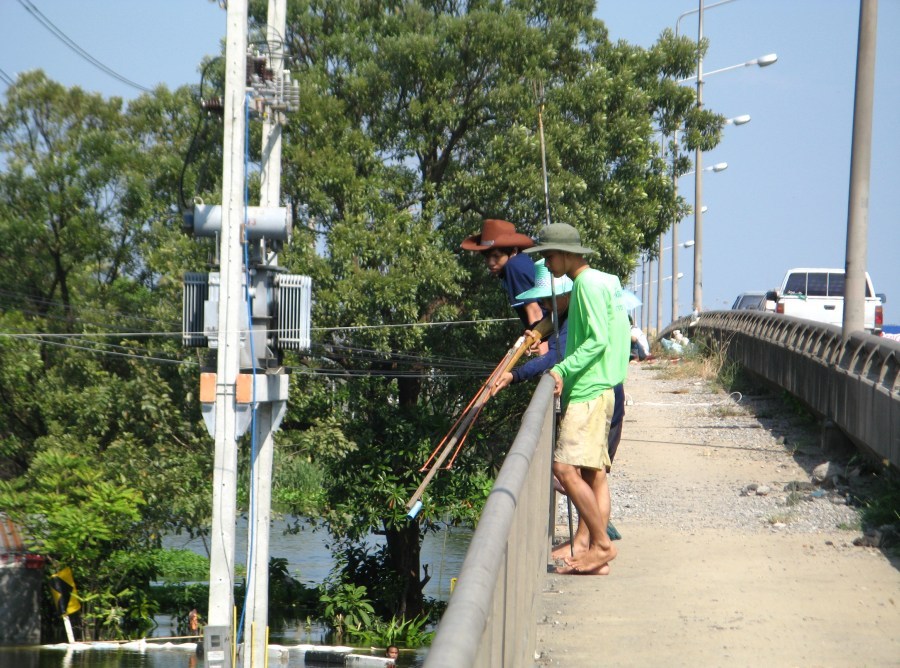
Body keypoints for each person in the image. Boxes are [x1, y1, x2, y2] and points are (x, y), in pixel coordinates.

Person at [524, 223, 630, 575]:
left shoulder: (585, 284)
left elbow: (597, 340)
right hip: (604, 387)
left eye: (549, 255)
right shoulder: (604, 282)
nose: (547, 263)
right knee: (592, 474)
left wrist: (561, 370)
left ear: (568, 254)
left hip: (589, 391)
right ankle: (593, 558)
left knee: (563, 469)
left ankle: (601, 545)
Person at [460, 219, 546, 330]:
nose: (490, 263)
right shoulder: (520, 262)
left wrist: (536, 343)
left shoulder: (514, 267)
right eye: (487, 257)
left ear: (513, 251)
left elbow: (535, 312)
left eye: (496, 256)